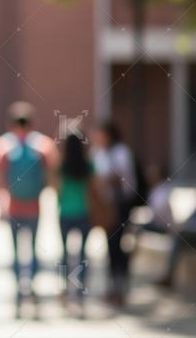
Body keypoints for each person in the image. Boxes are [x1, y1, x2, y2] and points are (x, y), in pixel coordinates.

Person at [0, 101, 58, 319]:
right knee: (35, 248)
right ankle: (33, 290)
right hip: (34, 206)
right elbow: (53, 177)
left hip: (14, 206)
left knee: (17, 250)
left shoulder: (2, 146)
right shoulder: (43, 144)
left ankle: (19, 292)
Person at [91, 121, 135, 308]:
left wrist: (107, 179)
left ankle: (120, 287)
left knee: (118, 245)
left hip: (121, 205)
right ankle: (112, 287)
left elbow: (123, 177)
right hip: (105, 206)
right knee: (110, 245)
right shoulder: (97, 154)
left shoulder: (121, 152)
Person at [56, 133, 97, 317]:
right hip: (84, 212)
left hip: (65, 212)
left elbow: (57, 189)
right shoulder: (88, 166)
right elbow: (94, 188)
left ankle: (65, 290)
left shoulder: (61, 166)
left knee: (65, 253)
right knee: (82, 255)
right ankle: (80, 294)